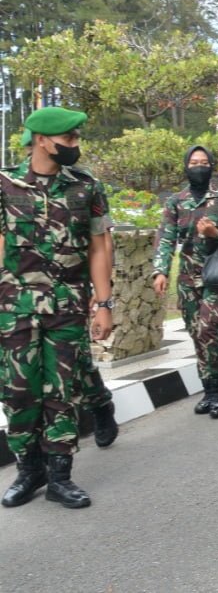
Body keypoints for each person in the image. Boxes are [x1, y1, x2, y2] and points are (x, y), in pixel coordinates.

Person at [1, 107, 113, 509]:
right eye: (68, 140)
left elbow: (100, 246)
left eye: (77, 138)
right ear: (42, 140)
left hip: (67, 304)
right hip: (14, 306)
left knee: (61, 390)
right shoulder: (5, 184)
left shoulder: (86, 187)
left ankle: (61, 477)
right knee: (17, 391)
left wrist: (104, 303)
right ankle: (29, 471)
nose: (75, 146)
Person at [152, 146, 218, 418]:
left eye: (204, 162)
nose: (199, 167)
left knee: (208, 330)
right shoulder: (175, 202)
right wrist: (160, 271)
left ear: (212, 166)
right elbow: (165, 239)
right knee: (196, 334)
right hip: (188, 280)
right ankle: (208, 389)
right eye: (194, 162)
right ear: (186, 166)